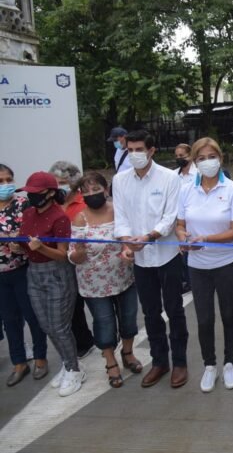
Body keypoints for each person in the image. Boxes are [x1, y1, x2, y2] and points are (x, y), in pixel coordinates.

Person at [113, 129, 189, 389]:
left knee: (175, 310)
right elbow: (120, 217)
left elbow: (170, 217)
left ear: (152, 150)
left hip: (167, 255)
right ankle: (159, 362)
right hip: (140, 259)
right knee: (150, 312)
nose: (134, 155)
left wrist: (149, 235)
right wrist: (126, 242)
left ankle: (179, 362)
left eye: (139, 150)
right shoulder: (120, 181)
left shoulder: (169, 178)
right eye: (130, 150)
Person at [176, 137, 233, 393]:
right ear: (194, 162)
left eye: (211, 157)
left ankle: (229, 362)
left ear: (221, 158)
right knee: (204, 319)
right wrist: (183, 239)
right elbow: (180, 225)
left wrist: (205, 238)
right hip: (197, 265)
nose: (207, 162)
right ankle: (210, 365)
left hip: (228, 263)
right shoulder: (185, 190)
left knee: (228, 314)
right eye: (201, 158)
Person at [68, 172, 142, 388]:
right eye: (86, 191)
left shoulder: (119, 211)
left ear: (106, 190)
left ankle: (128, 353)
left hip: (123, 277)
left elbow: (129, 238)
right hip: (94, 284)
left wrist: (129, 250)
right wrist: (78, 254)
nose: (92, 194)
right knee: (104, 323)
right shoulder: (80, 219)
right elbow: (73, 255)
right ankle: (110, 361)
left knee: (128, 318)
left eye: (96, 189)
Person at [16, 172, 85, 397]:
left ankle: (74, 369)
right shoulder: (27, 214)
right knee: (45, 325)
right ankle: (67, 363)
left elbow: (62, 255)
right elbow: (24, 240)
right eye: (29, 193)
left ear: (50, 193)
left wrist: (41, 248)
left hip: (57, 274)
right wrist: (20, 247)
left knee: (59, 325)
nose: (32, 198)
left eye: (36, 193)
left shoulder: (60, 217)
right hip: (34, 274)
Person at [0, 164, 48, 386]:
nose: (6, 185)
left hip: (22, 269)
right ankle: (19, 362)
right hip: (1, 276)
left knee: (33, 315)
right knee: (10, 320)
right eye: (1, 181)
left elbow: (32, 232)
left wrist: (21, 243)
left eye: (9, 179)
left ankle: (40, 358)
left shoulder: (23, 204)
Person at [50, 160, 95, 359]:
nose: (58, 187)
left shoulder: (84, 202)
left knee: (95, 303)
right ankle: (83, 341)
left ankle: (109, 338)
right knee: (73, 304)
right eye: (55, 182)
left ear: (73, 183)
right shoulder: (52, 203)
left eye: (62, 182)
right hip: (62, 259)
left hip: (87, 260)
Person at [173, 143, 197, 294]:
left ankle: (194, 279)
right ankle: (187, 280)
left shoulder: (199, 174)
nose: (179, 159)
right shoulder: (174, 175)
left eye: (182, 156)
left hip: (194, 216)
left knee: (195, 248)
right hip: (180, 217)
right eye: (176, 156)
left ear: (191, 156)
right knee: (182, 250)